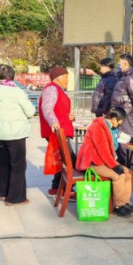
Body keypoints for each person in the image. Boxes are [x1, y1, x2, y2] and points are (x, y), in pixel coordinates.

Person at [0, 65, 36, 205]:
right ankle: (15, 197)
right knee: (17, 165)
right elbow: (30, 111)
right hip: (15, 134)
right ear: (13, 76)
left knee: (2, 163)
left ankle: (3, 192)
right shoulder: (17, 91)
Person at [76, 106, 133, 218]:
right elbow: (103, 150)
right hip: (94, 163)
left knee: (129, 173)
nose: (120, 124)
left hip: (104, 161)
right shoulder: (97, 127)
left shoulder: (110, 126)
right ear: (113, 119)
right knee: (118, 175)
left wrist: (132, 139)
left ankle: (125, 202)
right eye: (120, 121)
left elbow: (118, 136)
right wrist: (114, 166)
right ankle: (118, 206)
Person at [39, 66, 76, 196]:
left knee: (63, 160)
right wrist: (54, 123)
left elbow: (59, 109)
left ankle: (56, 188)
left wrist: (69, 116)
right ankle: (65, 189)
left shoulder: (58, 89)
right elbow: (47, 108)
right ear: (58, 78)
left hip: (61, 131)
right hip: (58, 132)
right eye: (66, 77)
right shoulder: (51, 88)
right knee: (70, 161)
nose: (67, 80)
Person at [111, 54, 133, 162]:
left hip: (126, 113)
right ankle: (122, 162)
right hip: (119, 112)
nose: (118, 64)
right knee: (118, 138)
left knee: (126, 138)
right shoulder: (122, 77)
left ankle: (130, 163)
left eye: (120, 61)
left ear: (125, 63)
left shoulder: (130, 78)